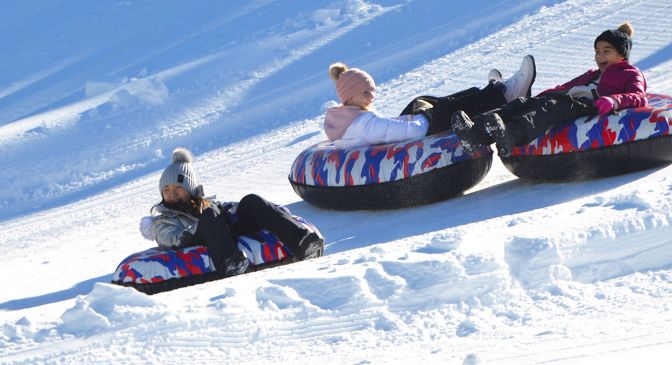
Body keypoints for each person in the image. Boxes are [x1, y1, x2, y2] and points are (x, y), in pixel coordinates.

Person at [452, 22, 647, 157]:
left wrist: (613, 101)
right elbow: (566, 87)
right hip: (568, 100)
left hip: (588, 106)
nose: (599, 56)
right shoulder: (591, 73)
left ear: (621, 55)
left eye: (606, 51)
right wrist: (543, 95)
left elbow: (638, 97)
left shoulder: (630, 73)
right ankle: (475, 134)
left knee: (549, 108)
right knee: (523, 103)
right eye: (597, 51)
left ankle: (510, 135)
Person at [141, 148, 322, 277]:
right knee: (210, 216)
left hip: (224, 232)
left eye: (178, 187)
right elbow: (171, 239)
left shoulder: (207, 205)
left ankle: (301, 241)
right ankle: (230, 262)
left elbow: (231, 210)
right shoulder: (162, 221)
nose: (172, 193)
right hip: (192, 240)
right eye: (166, 189)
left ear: (192, 189)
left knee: (250, 201)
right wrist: (202, 224)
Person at [323, 56, 536, 147]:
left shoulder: (344, 118)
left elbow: (386, 130)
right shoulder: (363, 123)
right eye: (365, 93)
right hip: (421, 131)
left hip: (403, 132)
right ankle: (506, 93)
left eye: (372, 91)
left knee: (422, 101)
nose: (372, 97)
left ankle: (491, 91)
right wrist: (423, 117)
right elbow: (410, 132)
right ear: (350, 96)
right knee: (445, 108)